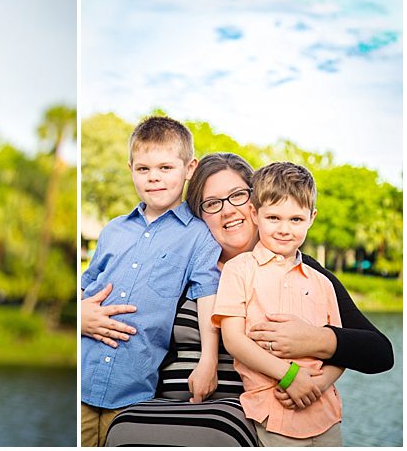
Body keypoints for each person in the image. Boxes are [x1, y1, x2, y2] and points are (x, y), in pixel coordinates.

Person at [101, 152, 394, 446]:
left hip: (248, 421)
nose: (228, 210)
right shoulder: (177, 268)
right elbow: (122, 316)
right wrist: (88, 316)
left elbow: (379, 352)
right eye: (212, 203)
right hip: (163, 413)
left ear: (254, 203)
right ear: (198, 215)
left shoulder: (304, 273)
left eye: (237, 196)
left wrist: (315, 340)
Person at [79, 116, 222, 446]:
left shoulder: (198, 237)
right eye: (143, 169)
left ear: (189, 168)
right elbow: (87, 285)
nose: (153, 177)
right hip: (82, 380)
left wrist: (208, 361)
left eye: (165, 168)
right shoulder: (114, 230)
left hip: (133, 393)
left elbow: (207, 296)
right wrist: (79, 316)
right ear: (130, 169)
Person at [214, 162, 342, 446]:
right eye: (273, 217)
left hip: (326, 413)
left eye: (296, 219)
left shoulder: (323, 283)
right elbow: (233, 340)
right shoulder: (240, 270)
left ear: (311, 218)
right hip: (274, 411)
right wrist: (290, 377)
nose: (285, 229)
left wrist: (315, 386)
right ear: (254, 214)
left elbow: (339, 352)